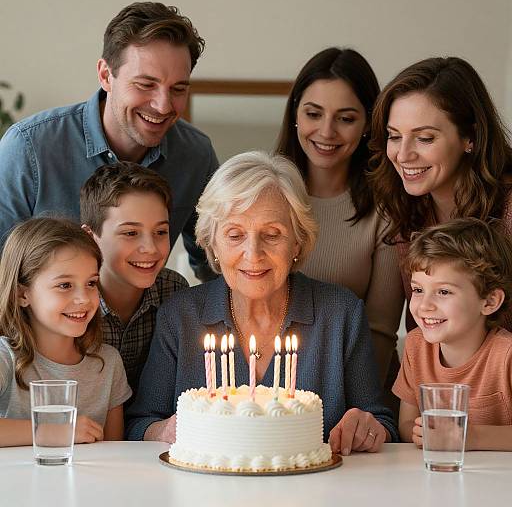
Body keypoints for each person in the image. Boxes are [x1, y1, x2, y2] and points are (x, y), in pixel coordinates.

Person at [126, 151, 398, 454]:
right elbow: (139, 423)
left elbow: (383, 424)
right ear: (211, 241)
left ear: (297, 241)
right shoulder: (180, 315)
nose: (253, 254)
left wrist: (367, 429)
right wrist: (163, 430)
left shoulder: (341, 314)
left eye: (272, 234)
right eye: (235, 235)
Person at [0, 2, 218, 281]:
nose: (163, 106)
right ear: (105, 75)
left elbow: (214, 265)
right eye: (145, 85)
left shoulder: (195, 154)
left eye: (177, 89)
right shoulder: (28, 147)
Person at [275, 47, 404, 397]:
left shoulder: (387, 209)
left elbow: (379, 331)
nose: (326, 131)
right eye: (314, 113)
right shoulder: (264, 192)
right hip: (261, 399)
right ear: (296, 115)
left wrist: (353, 409)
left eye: (346, 118)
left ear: (367, 125)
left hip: (353, 400)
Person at [369, 56, 512, 330]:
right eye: (395, 136)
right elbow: (423, 333)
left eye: (425, 138)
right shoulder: (406, 212)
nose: (403, 155)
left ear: (470, 138)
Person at [0, 218, 131, 447]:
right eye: (65, 285)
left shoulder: (108, 363)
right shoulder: (5, 357)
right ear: (23, 295)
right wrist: (56, 432)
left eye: (91, 283)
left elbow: (114, 452)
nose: (83, 299)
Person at [393, 218, 512, 450]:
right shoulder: (416, 346)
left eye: (444, 291)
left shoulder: (506, 356)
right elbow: (406, 423)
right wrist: (419, 434)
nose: (425, 305)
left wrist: (471, 437)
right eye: (418, 289)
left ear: (489, 301)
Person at [80, 162, 189, 394]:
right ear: (90, 237)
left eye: (160, 232)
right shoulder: (70, 300)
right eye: (130, 233)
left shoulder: (175, 291)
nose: (150, 248)